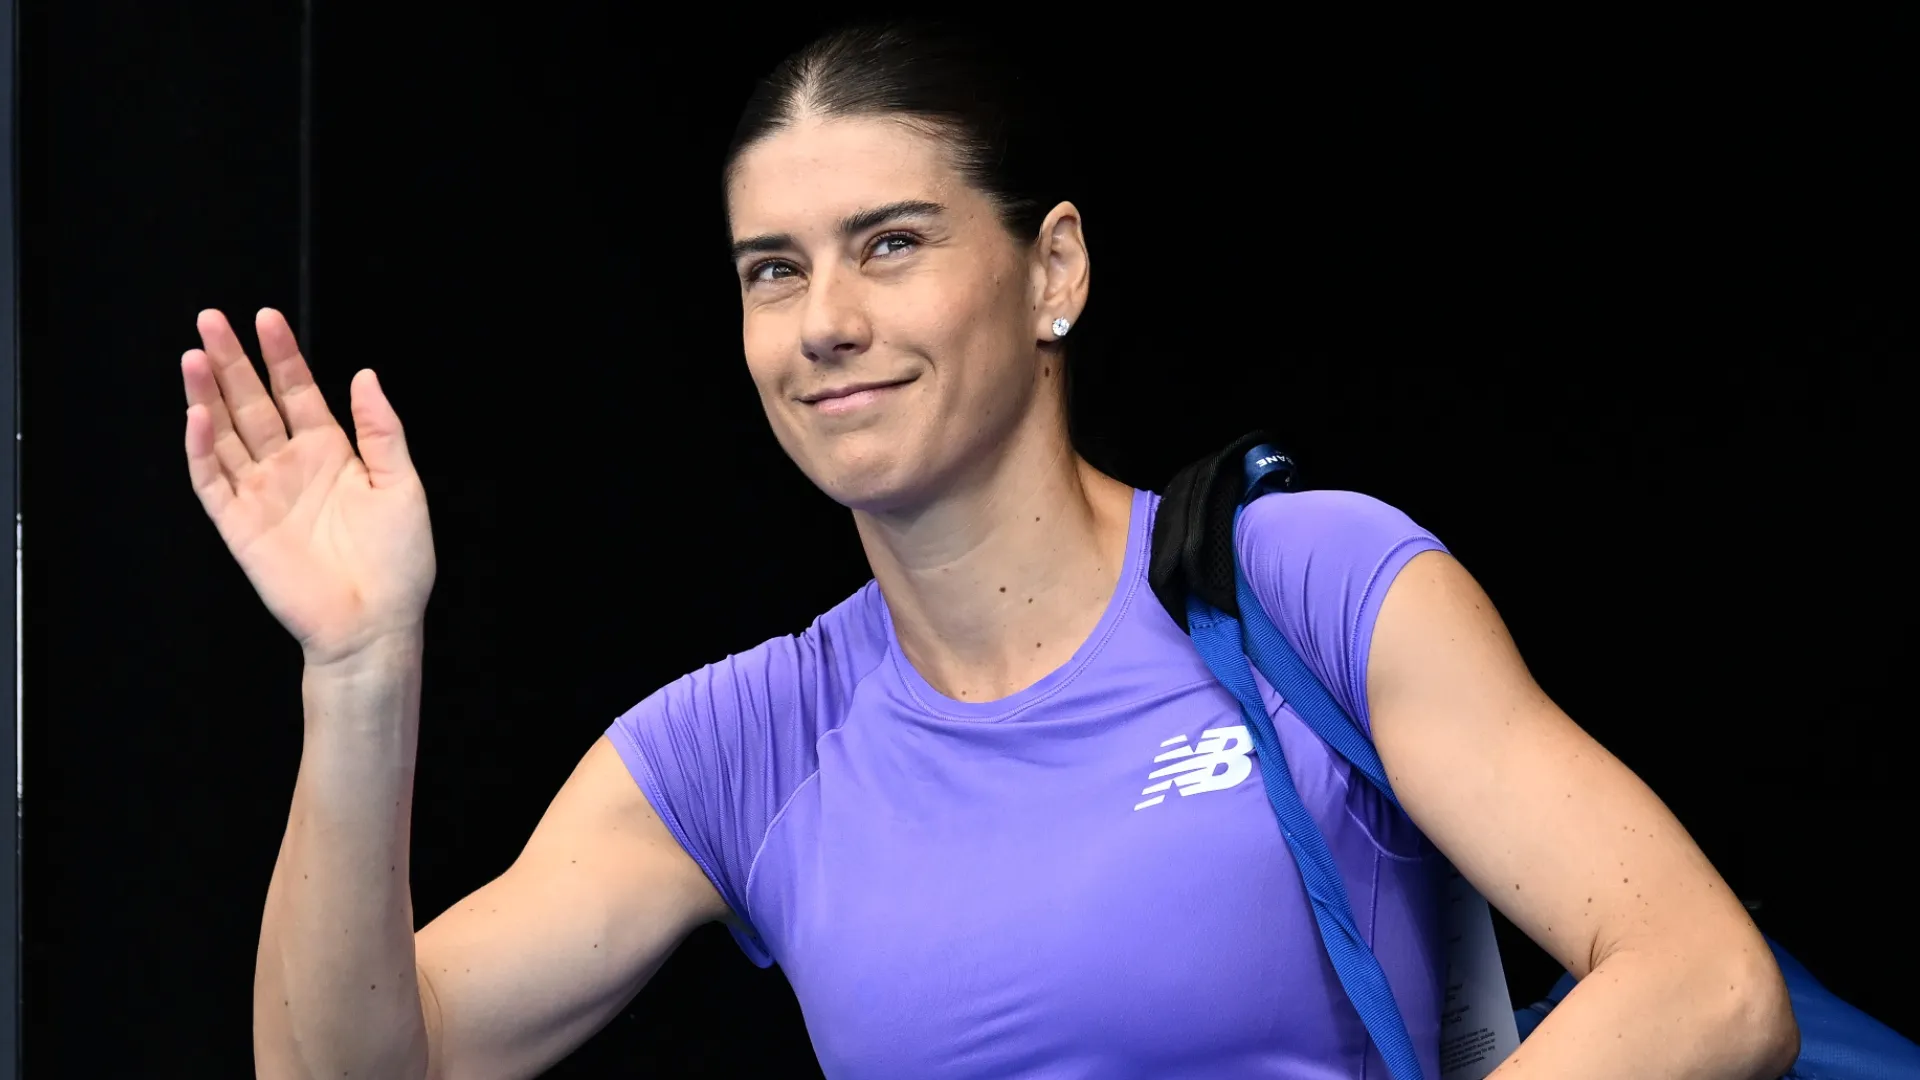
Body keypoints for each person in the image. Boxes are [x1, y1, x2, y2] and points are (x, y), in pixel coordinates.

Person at [185, 21, 1799, 1080]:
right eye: (771, 270)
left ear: (1051, 275)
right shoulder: (746, 744)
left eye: (890, 245)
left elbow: (1707, 984)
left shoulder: (1300, 580)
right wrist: (359, 668)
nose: (825, 324)